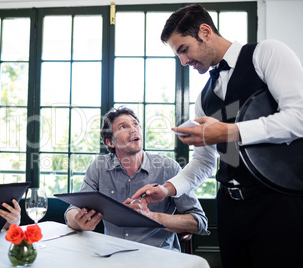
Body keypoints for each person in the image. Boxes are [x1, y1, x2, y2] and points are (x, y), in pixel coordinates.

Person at [133, 4, 303, 267]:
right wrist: (166, 189)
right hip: (230, 209)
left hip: (278, 203)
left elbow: (299, 118)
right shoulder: (204, 98)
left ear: (205, 31)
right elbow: (204, 163)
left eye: (184, 49)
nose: (183, 61)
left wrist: (229, 131)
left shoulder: (267, 53)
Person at [65, 106, 210, 251]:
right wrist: (78, 222)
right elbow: (71, 212)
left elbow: (199, 222)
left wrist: (152, 217)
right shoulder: (99, 167)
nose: (134, 129)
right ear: (110, 142)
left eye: (135, 124)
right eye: (123, 127)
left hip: (159, 258)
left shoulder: (167, 167)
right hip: (113, 256)